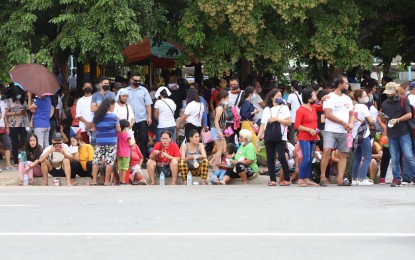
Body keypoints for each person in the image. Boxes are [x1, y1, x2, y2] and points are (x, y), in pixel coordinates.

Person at [378, 82, 415, 187]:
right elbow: (381, 117)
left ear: (395, 91)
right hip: (391, 133)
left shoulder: (403, 100)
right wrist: (383, 119)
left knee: (408, 156)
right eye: (387, 92)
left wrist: (397, 120)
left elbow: (409, 114)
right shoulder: (385, 103)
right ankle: (396, 178)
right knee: (394, 158)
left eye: (390, 92)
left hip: (404, 132)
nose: (389, 94)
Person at [319, 76, 354, 187]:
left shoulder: (347, 98)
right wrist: (343, 123)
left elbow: (352, 114)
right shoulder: (329, 97)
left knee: (343, 154)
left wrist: (351, 124)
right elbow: (328, 114)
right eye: (346, 83)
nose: (348, 86)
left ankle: (340, 178)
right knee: (327, 151)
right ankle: (323, 177)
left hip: (344, 131)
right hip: (331, 130)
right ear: (340, 85)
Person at [257, 89, 292, 186]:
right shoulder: (267, 109)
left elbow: (289, 122)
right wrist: (258, 137)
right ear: (272, 97)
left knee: (281, 156)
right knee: (270, 158)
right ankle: (273, 179)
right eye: (277, 96)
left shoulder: (284, 108)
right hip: (269, 136)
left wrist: (277, 119)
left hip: (281, 137)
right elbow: (262, 125)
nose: (279, 98)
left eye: (281, 96)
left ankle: (287, 178)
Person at [88, 99, 120, 186]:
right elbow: (118, 130)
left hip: (100, 141)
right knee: (109, 161)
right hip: (111, 141)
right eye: (113, 105)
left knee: (96, 160)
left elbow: (94, 129)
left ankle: (94, 180)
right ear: (109, 106)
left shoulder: (96, 116)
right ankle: (106, 181)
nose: (113, 107)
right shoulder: (114, 117)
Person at [294, 88, 320, 187]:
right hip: (304, 137)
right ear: (309, 98)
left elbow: (322, 107)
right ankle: (300, 178)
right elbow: (297, 125)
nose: (315, 97)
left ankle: (306, 179)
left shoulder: (313, 107)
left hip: (313, 138)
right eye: (313, 95)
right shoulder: (300, 110)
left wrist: (324, 98)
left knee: (311, 158)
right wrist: (309, 129)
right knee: (306, 158)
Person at [126, 72, 152, 163]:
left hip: (142, 118)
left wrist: (149, 117)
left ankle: (142, 159)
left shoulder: (144, 90)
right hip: (129, 120)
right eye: (135, 81)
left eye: (139, 81)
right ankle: (130, 159)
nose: (137, 82)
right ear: (131, 80)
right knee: (129, 139)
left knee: (144, 139)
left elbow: (148, 104)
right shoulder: (125, 91)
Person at [351, 90, 374, 185]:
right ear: (359, 98)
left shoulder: (354, 107)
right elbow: (371, 120)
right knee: (367, 156)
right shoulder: (363, 107)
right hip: (364, 135)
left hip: (354, 135)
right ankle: (362, 179)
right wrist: (371, 124)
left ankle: (354, 179)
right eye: (364, 95)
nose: (367, 96)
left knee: (357, 157)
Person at [5, 86, 27, 167]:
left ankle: (24, 160)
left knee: (23, 142)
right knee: (14, 143)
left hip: (22, 124)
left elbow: (26, 111)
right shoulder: (9, 101)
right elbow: (6, 113)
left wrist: (24, 112)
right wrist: (15, 113)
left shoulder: (23, 102)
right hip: (12, 125)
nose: (19, 95)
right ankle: (16, 162)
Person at [212, 90, 229, 170]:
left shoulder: (221, 107)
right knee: (220, 149)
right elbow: (216, 120)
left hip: (219, 129)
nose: (228, 99)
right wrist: (219, 131)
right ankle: (216, 167)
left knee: (223, 148)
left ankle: (213, 162)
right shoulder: (220, 108)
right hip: (217, 130)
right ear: (223, 98)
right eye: (227, 97)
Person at [239, 86, 259, 150]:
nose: (254, 95)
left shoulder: (247, 103)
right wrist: (254, 112)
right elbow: (244, 114)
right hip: (247, 124)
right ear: (250, 94)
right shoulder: (247, 103)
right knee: (255, 142)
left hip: (247, 123)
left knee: (246, 142)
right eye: (254, 93)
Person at [0, 87, 14, 171]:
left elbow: (4, 115)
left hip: (2, 127)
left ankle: (8, 165)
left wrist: (7, 126)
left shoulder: (2, 103)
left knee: (8, 144)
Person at [117, 119, 134, 184]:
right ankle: (123, 180)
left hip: (119, 153)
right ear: (126, 127)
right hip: (126, 153)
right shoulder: (127, 134)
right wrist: (133, 144)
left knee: (120, 167)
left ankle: (120, 180)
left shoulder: (118, 134)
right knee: (125, 167)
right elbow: (130, 144)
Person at [287, 80, 302, 144]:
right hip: (301, 118)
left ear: (292, 87)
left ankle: (292, 151)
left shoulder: (291, 95)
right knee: (300, 135)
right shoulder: (302, 94)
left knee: (292, 136)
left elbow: (287, 107)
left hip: (293, 118)